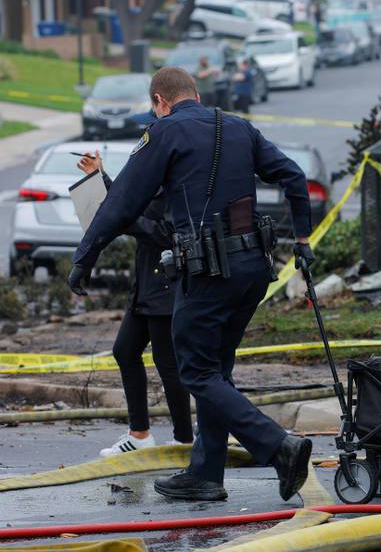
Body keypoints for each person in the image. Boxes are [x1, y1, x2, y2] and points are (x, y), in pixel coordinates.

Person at [68, 67, 315, 503]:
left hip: (207, 273)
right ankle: (205, 474)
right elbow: (294, 177)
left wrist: (85, 257)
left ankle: (278, 446)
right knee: (216, 371)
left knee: (195, 371)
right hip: (253, 270)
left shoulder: (162, 133)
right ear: (196, 94)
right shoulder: (239, 127)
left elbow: (121, 203)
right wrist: (302, 240)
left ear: (160, 101)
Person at [76, 150, 193, 457]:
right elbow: (125, 203)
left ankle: (184, 440)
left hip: (165, 287)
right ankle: (139, 433)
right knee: (125, 351)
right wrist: (98, 176)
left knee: (168, 366)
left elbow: (165, 234)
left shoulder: (176, 187)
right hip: (145, 284)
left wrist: (127, 220)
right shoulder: (151, 180)